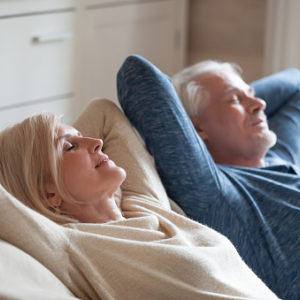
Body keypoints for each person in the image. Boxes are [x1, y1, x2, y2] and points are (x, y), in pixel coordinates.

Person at [0, 100, 278, 299]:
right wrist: (26, 166)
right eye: (71, 147)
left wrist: (54, 147)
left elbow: (104, 112)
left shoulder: (143, 204)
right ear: (49, 194)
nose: (96, 141)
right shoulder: (70, 245)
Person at [117, 55, 300, 300]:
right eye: (236, 99)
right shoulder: (214, 192)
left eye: (252, 93)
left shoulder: (281, 156)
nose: (260, 103)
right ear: (197, 129)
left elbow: (296, 82)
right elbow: (137, 75)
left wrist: (238, 96)